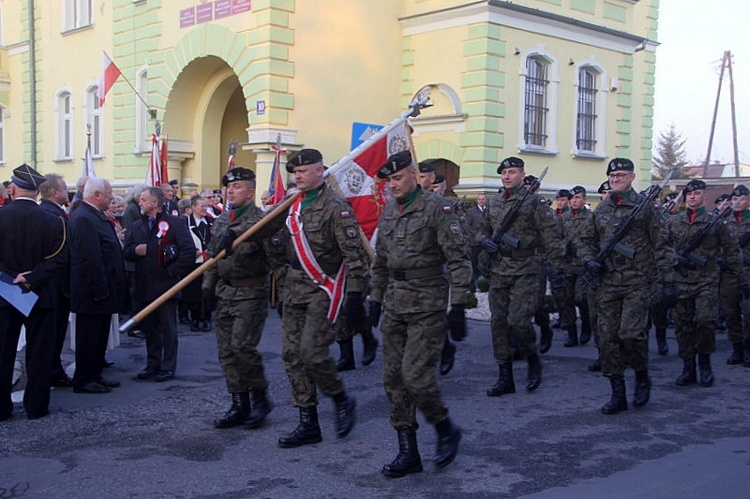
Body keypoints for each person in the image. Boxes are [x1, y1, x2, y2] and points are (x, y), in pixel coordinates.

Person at [370, 151, 469, 477]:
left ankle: (445, 428)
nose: (392, 185)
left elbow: (458, 260)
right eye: (389, 180)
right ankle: (408, 452)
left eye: (398, 178)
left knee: (416, 378)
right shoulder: (388, 214)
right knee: (393, 381)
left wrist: (458, 306)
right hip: (395, 304)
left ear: (413, 174)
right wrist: (374, 300)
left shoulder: (437, 209)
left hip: (427, 303)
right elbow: (381, 262)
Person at [266, 148, 366, 448]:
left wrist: (356, 296)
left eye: (303, 171)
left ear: (319, 171)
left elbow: (354, 256)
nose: (297, 176)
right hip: (294, 287)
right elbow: (266, 231)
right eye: (294, 172)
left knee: (312, 351)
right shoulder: (290, 203)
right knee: (292, 356)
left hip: (324, 288)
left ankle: (340, 398)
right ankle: (308, 422)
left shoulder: (336, 206)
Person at [578, 158, 676, 414]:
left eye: (621, 175)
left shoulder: (646, 208)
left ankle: (642, 375)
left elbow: (662, 245)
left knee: (631, 335)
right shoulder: (601, 209)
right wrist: (589, 260)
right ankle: (617, 392)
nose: (616, 179)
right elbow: (585, 239)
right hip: (607, 284)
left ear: (632, 177)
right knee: (608, 339)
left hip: (637, 282)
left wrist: (668, 282)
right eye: (612, 176)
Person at [477, 157, 566, 398]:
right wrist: (484, 240)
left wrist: (559, 266)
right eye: (504, 172)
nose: (507, 176)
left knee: (519, 321)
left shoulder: (534, 203)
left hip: (527, 268)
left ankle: (532, 358)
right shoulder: (494, 203)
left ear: (522, 174)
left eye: (512, 172)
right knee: (498, 324)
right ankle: (505, 377)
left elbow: (551, 234)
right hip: (499, 269)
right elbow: (481, 228)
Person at [202, 167, 275, 430]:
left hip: (250, 294)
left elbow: (265, 241)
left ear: (251, 192)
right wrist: (207, 288)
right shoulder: (222, 220)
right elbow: (212, 258)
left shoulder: (261, 220)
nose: (230, 191)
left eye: (237, 187)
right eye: (228, 187)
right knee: (227, 352)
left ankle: (260, 400)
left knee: (243, 348)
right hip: (225, 292)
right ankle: (239, 403)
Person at [0, 164, 67, 420]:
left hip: (5, 293)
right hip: (41, 295)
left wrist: (12, 278)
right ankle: (36, 407)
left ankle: (2, 408)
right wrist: (32, 277)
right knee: (39, 353)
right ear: (38, 192)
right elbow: (59, 259)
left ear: (14, 188)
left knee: (3, 352)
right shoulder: (54, 221)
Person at [667, 179, 741, 387]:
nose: (692, 197)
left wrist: (739, 278)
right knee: (683, 325)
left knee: (706, 321)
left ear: (704, 197)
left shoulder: (715, 222)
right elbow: (662, 247)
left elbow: (731, 250)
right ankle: (688, 366)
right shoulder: (674, 222)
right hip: (681, 280)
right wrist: (673, 259)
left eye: (697, 193)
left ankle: (705, 362)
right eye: (689, 194)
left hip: (707, 280)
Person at [123, 187, 195, 382]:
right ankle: (152, 364)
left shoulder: (175, 223)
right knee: (150, 328)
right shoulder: (137, 226)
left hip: (166, 286)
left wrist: (172, 271)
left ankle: (168, 366)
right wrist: (134, 251)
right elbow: (127, 250)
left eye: (144, 200)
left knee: (168, 329)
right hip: (144, 285)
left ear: (154, 203)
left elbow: (188, 251)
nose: (140, 203)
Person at [69, 177, 129, 394]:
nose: (112, 197)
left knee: (99, 337)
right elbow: (90, 259)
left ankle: (95, 374)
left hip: (104, 290)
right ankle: (84, 379)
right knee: (89, 337)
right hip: (92, 293)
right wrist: (100, 290)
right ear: (96, 195)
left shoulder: (94, 215)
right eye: (109, 193)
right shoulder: (84, 218)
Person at [39, 174, 74, 388]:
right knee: (53, 333)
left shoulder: (48, 212)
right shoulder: (54, 216)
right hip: (55, 285)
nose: (66, 191)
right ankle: (51, 371)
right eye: (63, 187)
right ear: (54, 192)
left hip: (45, 283)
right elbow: (61, 255)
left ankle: (53, 369)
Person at [558, 185, 595, 348]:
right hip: (567, 265)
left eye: (578, 198)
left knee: (581, 299)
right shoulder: (564, 218)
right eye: (572, 198)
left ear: (584, 200)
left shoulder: (591, 217)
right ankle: (571, 333)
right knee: (567, 300)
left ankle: (586, 326)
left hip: (583, 265)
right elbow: (557, 237)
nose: (574, 201)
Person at [722, 185, 750, 366]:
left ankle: (748, 349)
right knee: (731, 312)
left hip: (748, 273)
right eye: (734, 199)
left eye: (742, 198)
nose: (737, 202)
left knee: (748, 313)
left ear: (748, 201)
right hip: (729, 274)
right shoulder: (723, 221)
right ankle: (737, 349)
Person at [186, 195, 213, 332]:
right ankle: (195, 319)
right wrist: (192, 251)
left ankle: (206, 318)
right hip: (193, 263)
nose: (204, 209)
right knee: (194, 293)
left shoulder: (211, 222)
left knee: (207, 292)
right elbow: (183, 242)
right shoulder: (185, 223)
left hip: (208, 263)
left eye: (206, 206)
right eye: (202, 206)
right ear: (193, 207)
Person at [465, 193, 488, 291]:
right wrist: (476, 236)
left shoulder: (489, 211)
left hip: (487, 241)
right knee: (474, 264)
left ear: (485, 200)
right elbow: (467, 226)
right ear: (477, 201)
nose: (481, 201)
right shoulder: (471, 212)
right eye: (480, 199)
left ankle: (486, 283)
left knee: (486, 262)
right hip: (475, 242)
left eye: (483, 199)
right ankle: (473, 285)